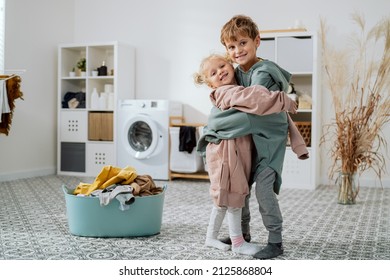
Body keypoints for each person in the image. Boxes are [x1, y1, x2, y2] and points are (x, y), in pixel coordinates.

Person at [211, 14, 308, 259]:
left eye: (243, 43)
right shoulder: (238, 72)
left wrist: (223, 108)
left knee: (263, 191)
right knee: (240, 187)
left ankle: (276, 241)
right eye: (231, 47)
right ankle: (243, 234)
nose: (238, 50)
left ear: (257, 41)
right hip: (250, 142)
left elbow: (254, 101)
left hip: (268, 144)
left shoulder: (262, 71)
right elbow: (233, 97)